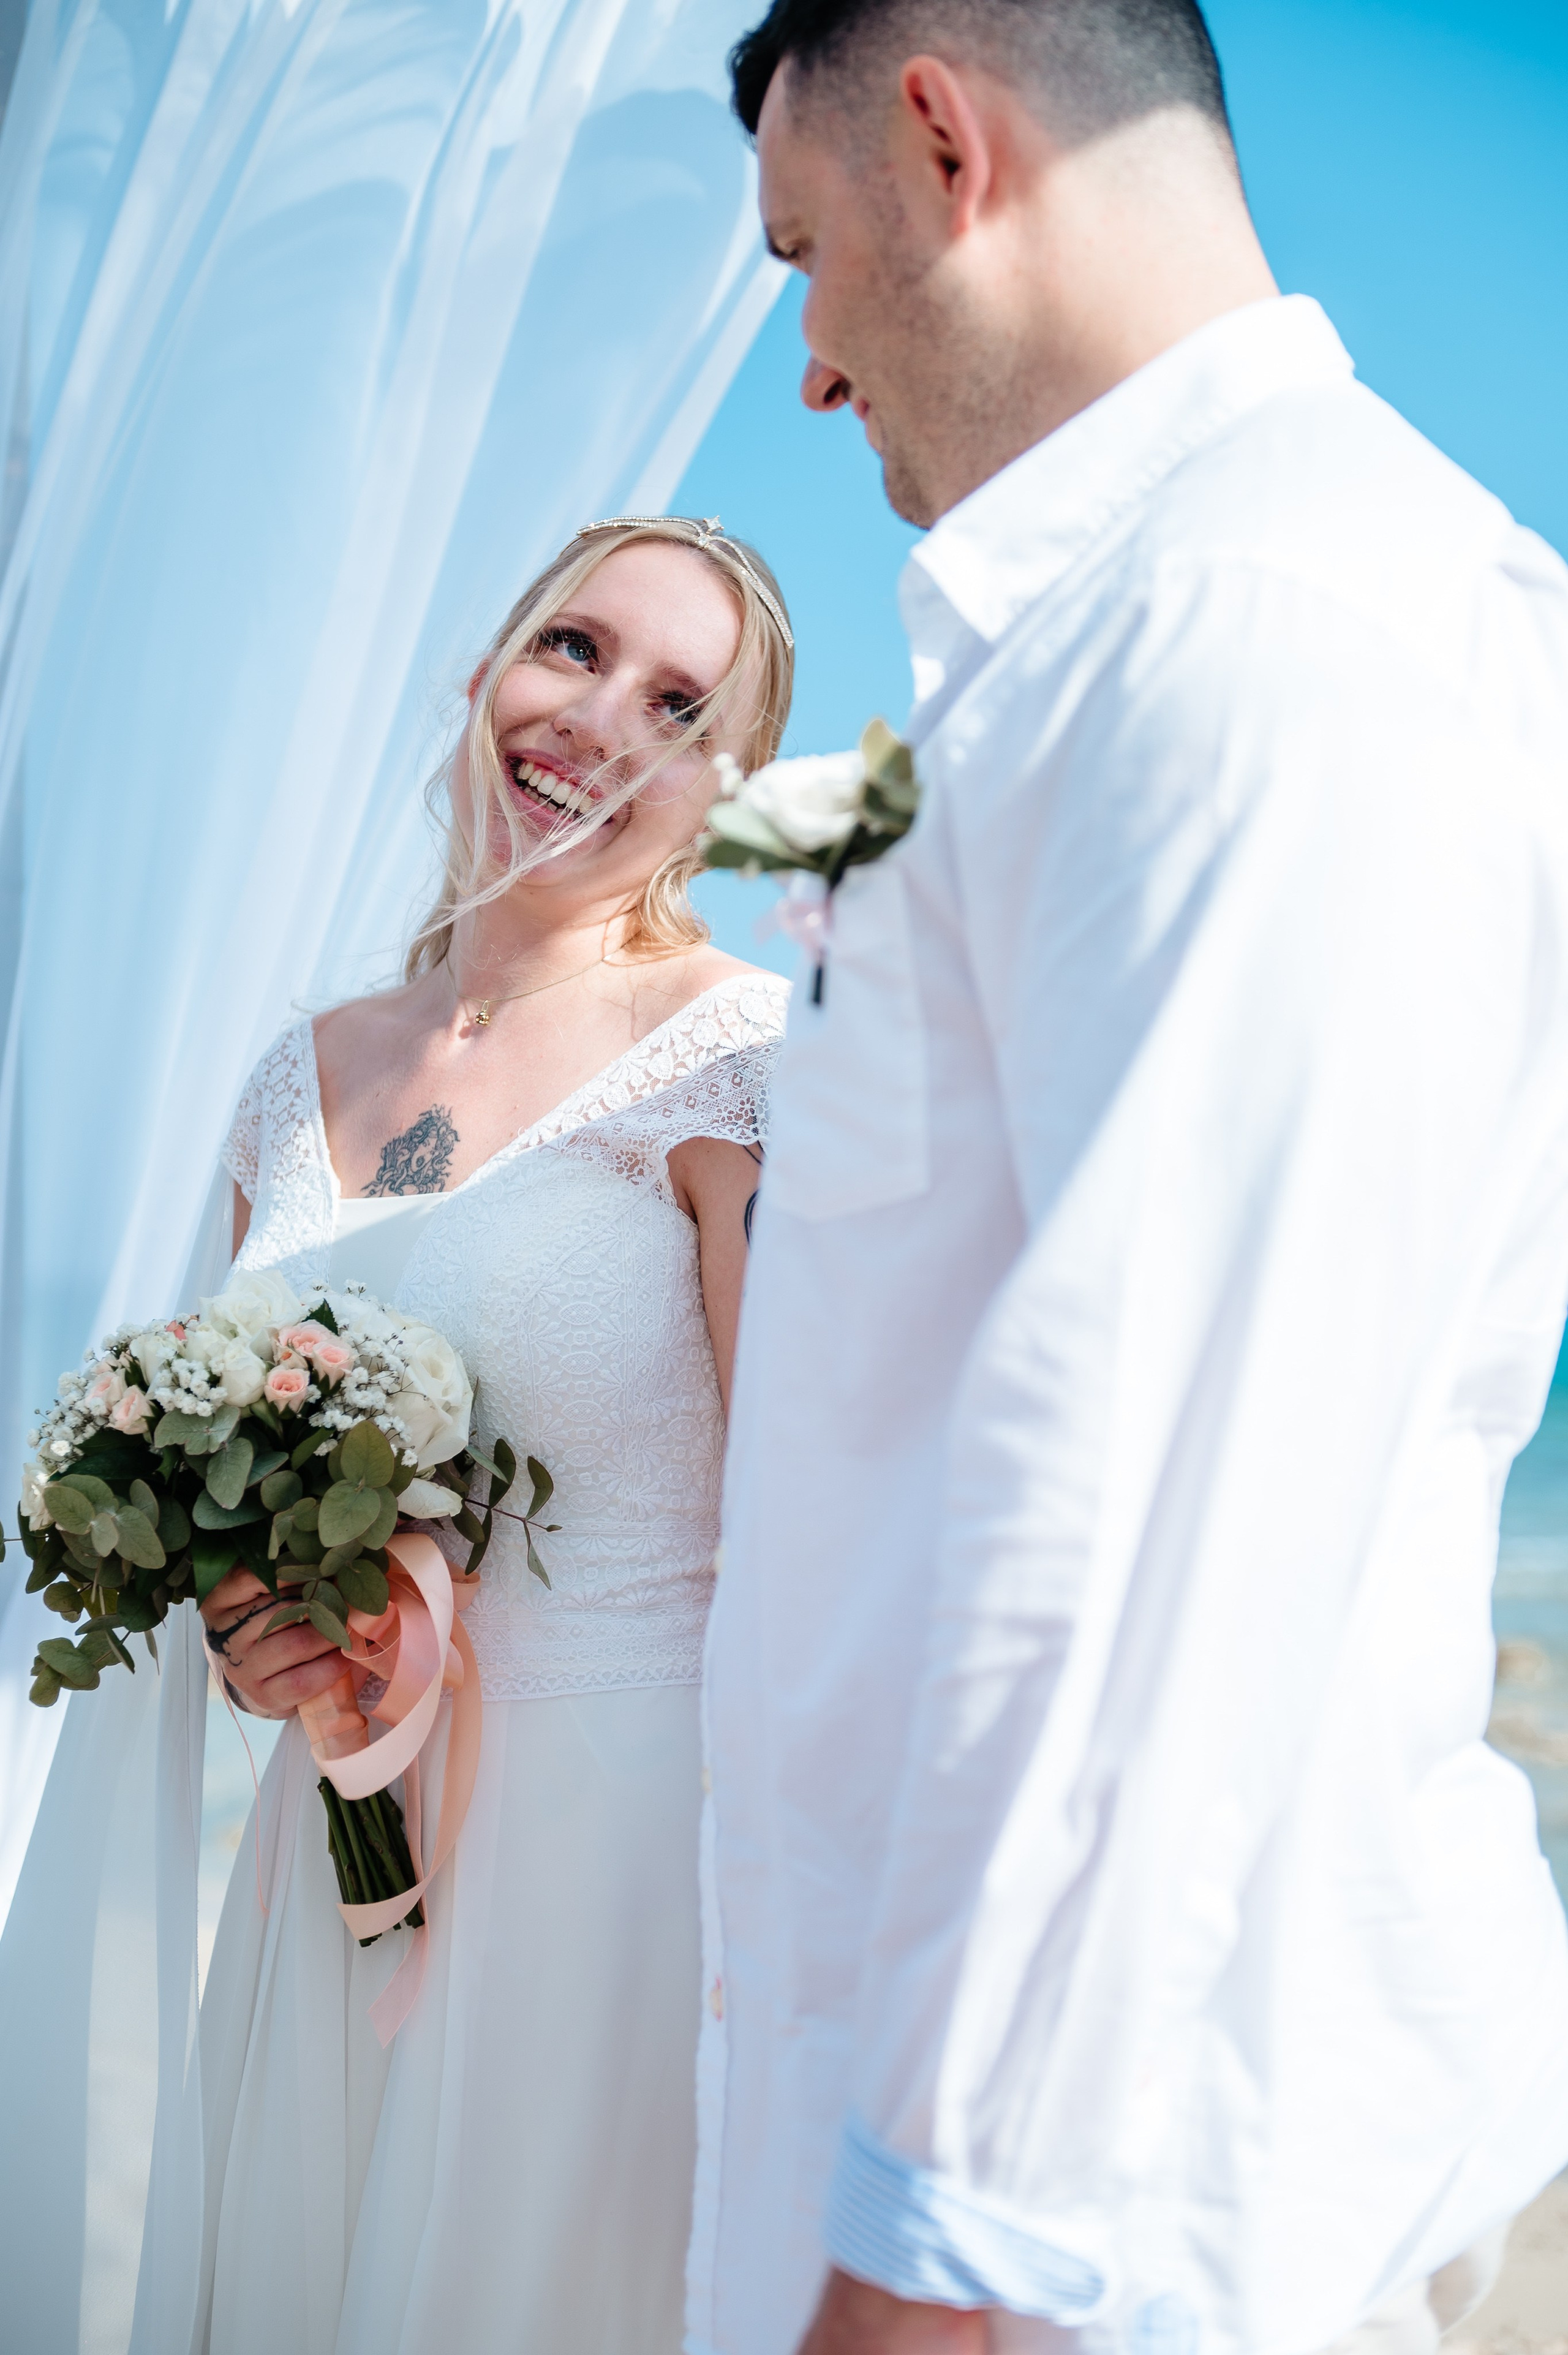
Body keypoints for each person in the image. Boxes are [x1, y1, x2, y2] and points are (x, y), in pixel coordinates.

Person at [693, 5, 1568, 2354]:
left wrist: (936, 2253)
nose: (807, 364)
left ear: (942, 139)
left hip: (1110, 2245)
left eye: (801, 252)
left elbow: (1164, 1490)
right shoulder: (1117, 645)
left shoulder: (1258, 626)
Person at [167, 516, 793, 2353]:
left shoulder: (739, 1057)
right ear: (486, 668)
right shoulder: (297, 1076)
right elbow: (228, 1491)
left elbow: (816, 1538)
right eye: (575, 649)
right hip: (340, 1857)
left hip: (619, 1869)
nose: (600, 720)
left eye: (681, 707)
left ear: (727, 797)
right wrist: (254, 1634)